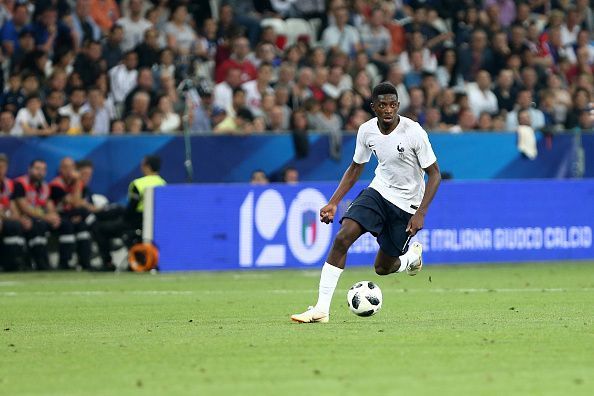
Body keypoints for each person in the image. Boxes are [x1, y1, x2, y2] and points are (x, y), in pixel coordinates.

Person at [291, 82, 441, 323]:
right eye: (382, 105)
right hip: (378, 192)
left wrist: (420, 213)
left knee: (382, 268)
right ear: (374, 107)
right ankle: (321, 310)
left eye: (393, 105)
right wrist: (333, 202)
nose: (388, 110)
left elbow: (435, 174)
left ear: (398, 106)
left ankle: (409, 260)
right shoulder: (366, 131)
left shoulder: (414, 132)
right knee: (343, 237)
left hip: (406, 205)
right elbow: (355, 168)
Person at [92, 156, 166, 270]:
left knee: (100, 229)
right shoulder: (163, 183)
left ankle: (108, 263)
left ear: (147, 166)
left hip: (135, 222)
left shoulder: (138, 184)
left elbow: (131, 210)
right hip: (154, 224)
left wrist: (120, 218)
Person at [12, 159, 62, 270]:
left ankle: (64, 263)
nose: (40, 172)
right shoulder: (20, 184)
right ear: (29, 169)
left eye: (43, 169)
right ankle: (39, 263)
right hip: (23, 218)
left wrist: (54, 217)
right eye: (37, 169)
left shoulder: (45, 186)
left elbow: (49, 206)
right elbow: (24, 208)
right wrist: (46, 217)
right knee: (38, 225)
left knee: (65, 224)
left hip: (38, 218)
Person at [49, 157, 93, 270]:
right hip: (59, 216)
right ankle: (64, 263)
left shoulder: (77, 185)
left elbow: (80, 204)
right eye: (66, 167)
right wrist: (78, 180)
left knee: (83, 226)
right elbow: (76, 203)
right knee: (68, 225)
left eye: (71, 167)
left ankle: (85, 262)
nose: (69, 170)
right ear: (60, 169)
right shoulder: (56, 185)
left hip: (72, 216)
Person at [0, 154, 27, 271]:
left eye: (3, 167)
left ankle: (13, 263)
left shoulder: (9, 184)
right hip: (3, 218)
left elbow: (13, 208)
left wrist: (18, 218)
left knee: (17, 224)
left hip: (6, 218)